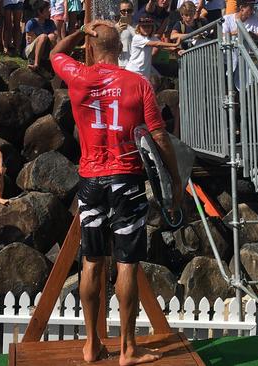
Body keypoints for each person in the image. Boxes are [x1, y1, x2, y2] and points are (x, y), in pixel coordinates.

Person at [49, 20, 181, 365]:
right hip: (127, 179)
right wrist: (175, 180)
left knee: (92, 262)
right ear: (121, 50)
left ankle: (92, 345)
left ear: (90, 48)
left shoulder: (78, 75)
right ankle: (127, 348)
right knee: (126, 263)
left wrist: (81, 32)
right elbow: (160, 136)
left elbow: (54, 52)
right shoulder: (138, 83)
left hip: (91, 180)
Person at [24, 0, 57, 70]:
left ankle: (52, 62)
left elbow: (54, 38)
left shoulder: (50, 22)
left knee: (52, 36)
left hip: (44, 50)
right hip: (30, 52)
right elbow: (30, 40)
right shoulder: (31, 23)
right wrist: (42, 38)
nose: (50, 11)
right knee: (43, 36)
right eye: (47, 9)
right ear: (39, 11)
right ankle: (36, 64)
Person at [116, 0, 136, 68]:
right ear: (120, 12)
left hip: (135, 64)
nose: (126, 13)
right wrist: (117, 32)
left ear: (133, 11)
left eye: (129, 11)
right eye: (123, 11)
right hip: (121, 64)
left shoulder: (138, 28)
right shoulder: (115, 28)